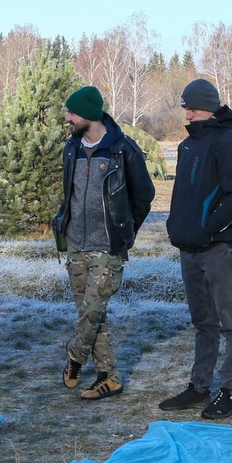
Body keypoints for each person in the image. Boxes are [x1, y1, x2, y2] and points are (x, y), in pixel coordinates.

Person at [158, 79, 232, 419]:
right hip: (190, 248)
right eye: (184, 107)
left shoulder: (228, 142)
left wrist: (209, 227)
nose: (186, 113)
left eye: (190, 107)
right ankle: (199, 387)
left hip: (221, 249)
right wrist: (179, 227)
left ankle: (229, 392)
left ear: (207, 107)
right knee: (203, 322)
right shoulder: (189, 145)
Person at [53, 86, 155, 400]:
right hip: (75, 244)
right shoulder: (71, 148)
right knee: (90, 313)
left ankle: (75, 356)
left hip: (107, 247)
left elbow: (144, 196)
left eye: (72, 113)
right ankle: (109, 377)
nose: (67, 118)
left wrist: (125, 230)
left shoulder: (122, 149)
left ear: (87, 115)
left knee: (92, 310)